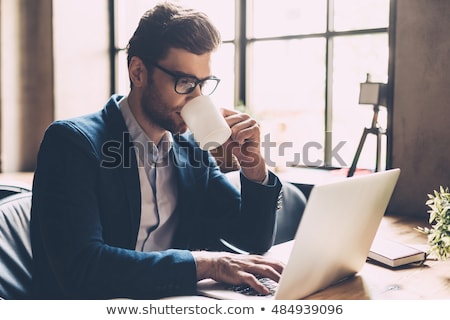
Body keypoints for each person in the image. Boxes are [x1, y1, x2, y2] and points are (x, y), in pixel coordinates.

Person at [30, 2, 284, 300]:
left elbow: (253, 238)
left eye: (203, 84)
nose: (196, 98)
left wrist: (253, 167)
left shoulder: (191, 151)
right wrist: (203, 263)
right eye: (185, 82)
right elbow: (82, 269)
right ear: (138, 72)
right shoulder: (73, 143)